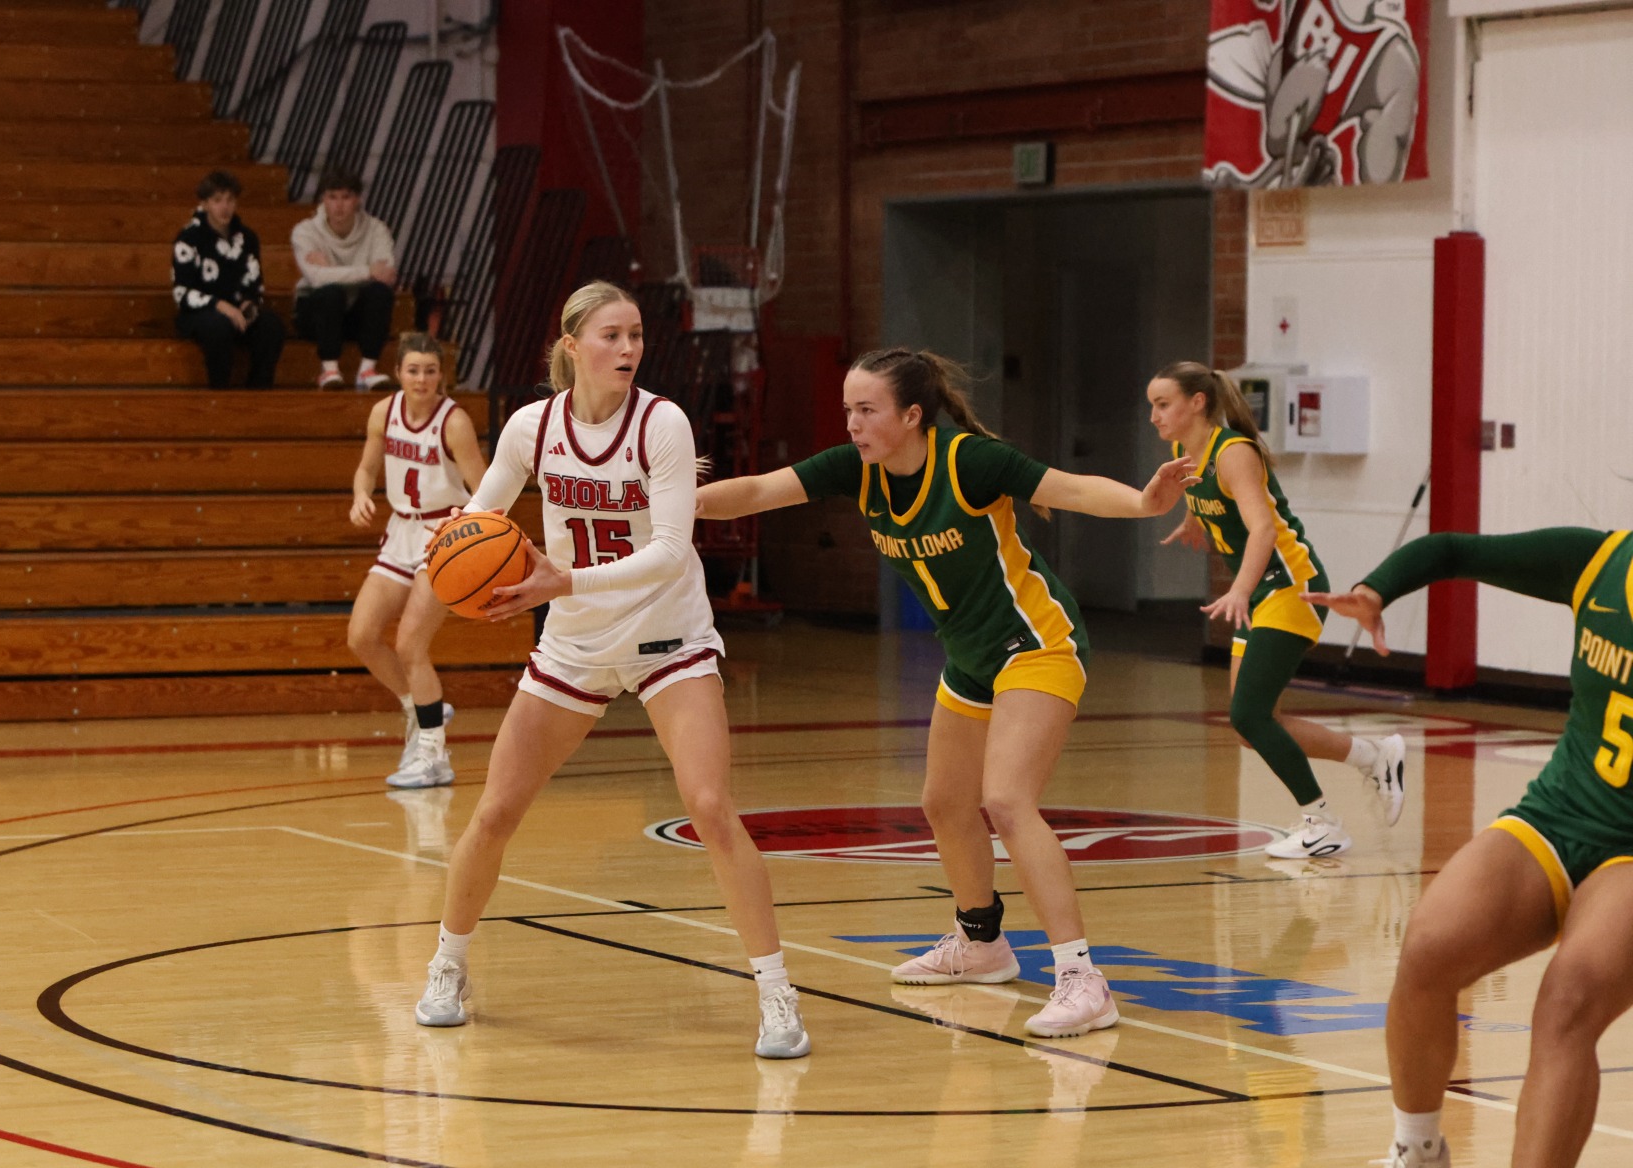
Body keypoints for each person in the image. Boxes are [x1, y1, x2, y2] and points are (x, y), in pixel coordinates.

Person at [696, 348, 1195, 1038]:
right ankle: (982, 943)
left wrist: (1144, 502)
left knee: (1007, 799)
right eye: (847, 409)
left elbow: (1070, 490)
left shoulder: (968, 462)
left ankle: (1083, 977)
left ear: (911, 415)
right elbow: (754, 492)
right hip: (970, 657)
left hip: (1037, 643)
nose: (852, 424)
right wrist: (673, 508)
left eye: (866, 410)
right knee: (943, 801)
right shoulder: (858, 470)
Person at [413, 280, 811, 1059]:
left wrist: (563, 579)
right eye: (611, 336)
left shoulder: (661, 423)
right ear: (573, 346)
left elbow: (669, 548)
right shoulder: (533, 426)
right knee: (495, 811)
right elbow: (482, 518)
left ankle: (776, 993)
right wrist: (443, 555)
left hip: (668, 632)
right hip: (576, 641)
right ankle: (447, 966)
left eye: (635, 335)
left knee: (709, 804)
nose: (628, 349)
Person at [1307, 529, 1633, 1168]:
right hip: (1560, 815)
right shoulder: (1603, 560)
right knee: (1428, 947)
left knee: (1567, 1002)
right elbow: (1449, 549)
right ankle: (1418, 1155)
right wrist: (1378, 589)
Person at [1149, 361, 1407, 857]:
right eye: (1153, 407)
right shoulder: (1184, 450)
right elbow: (1203, 494)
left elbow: (1264, 529)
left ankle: (1323, 822)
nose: (1154, 417)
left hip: (1291, 589)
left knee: (1248, 715)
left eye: (1162, 404)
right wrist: (1193, 520)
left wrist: (1240, 590)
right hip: (1263, 593)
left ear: (1197, 403)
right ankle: (1374, 757)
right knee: (1253, 725)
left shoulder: (1234, 453)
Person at [345, 331, 485, 788]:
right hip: (400, 530)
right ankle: (420, 706)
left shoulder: (454, 423)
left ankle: (434, 753)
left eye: (430, 370)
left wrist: (467, 529)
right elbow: (367, 467)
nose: (421, 378)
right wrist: (361, 495)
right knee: (361, 636)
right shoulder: (383, 412)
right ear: (399, 373)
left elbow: (486, 489)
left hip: (442, 534)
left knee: (410, 645)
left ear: (442, 375)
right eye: (413, 370)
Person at [172, 170, 284, 390]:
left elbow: (255, 281)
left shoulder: (247, 237)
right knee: (218, 326)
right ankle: (220, 391)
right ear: (204, 204)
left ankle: (259, 391)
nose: (225, 207)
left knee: (272, 326)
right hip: (200, 313)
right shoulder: (188, 238)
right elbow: (182, 293)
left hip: (237, 310)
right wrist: (220, 305)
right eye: (217, 200)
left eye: (230, 200)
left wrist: (249, 302)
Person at [290, 168, 396, 391]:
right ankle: (329, 371)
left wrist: (333, 270)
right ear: (323, 199)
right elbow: (317, 278)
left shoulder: (377, 229)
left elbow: (386, 274)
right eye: (332, 197)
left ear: (358, 200)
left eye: (346, 197)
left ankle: (367, 370)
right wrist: (368, 271)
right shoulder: (305, 231)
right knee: (330, 293)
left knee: (379, 293)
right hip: (315, 314)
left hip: (355, 314)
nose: (339, 205)